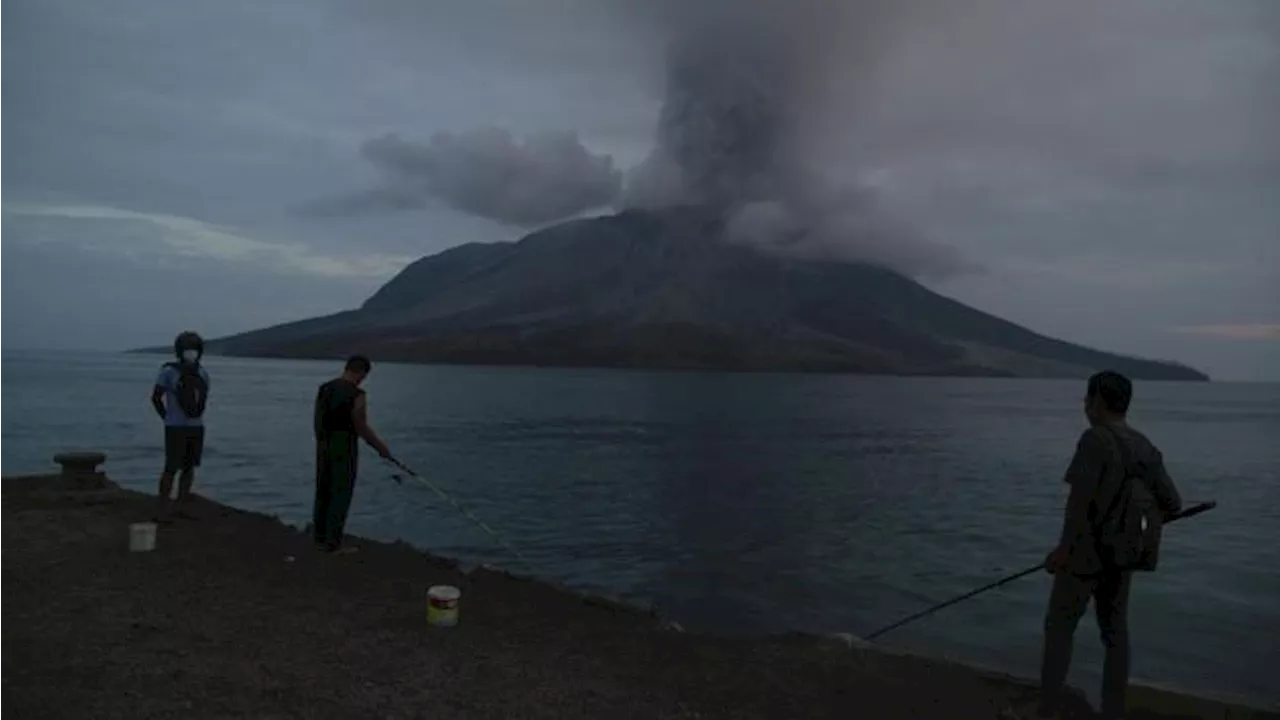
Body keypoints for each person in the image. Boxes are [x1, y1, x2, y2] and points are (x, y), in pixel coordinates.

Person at [1038, 371, 1183, 719]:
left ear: (1097, 402)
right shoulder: (1144, 446)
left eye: (1088, 399)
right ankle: (1113, 711)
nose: (1085, 406)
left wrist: (1062, 551)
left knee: (1059, 628)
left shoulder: (1094, 440)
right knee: (1115, 635)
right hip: (1122, 558)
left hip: (1083, 557)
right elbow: (1173, 503)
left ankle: (1047, 710)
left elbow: (1078, 505)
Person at [313, 355, 391, 554]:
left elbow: (317, 419)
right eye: (363, 376)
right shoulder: (357, 395)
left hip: (324, 444)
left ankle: (319, 537)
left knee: (323, 489)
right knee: (341, 492)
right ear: (361, 373)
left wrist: (321, 440)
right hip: (344, 446)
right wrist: (380, 447)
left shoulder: (325, 388)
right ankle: (333, 544)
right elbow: (360, 425)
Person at [150, 330, 211, 522]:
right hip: (176, 427)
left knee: (189, 467)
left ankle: (182, 505)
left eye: (194, 349)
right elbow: (156, 397)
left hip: (195, 426)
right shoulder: (168, 371)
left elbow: (202, 399)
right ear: (179, 351)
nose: (191, 353)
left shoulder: (202, 372)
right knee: (171, 467)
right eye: (188, 349)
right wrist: (167, 418)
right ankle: (163, 508)